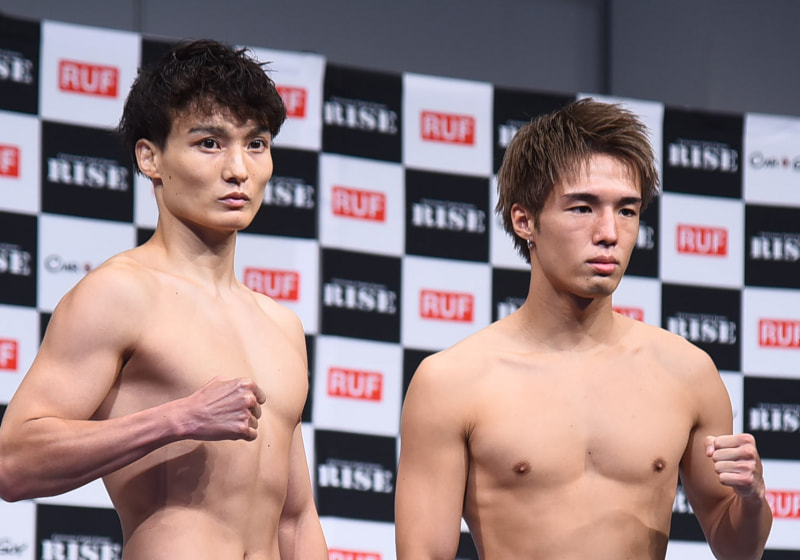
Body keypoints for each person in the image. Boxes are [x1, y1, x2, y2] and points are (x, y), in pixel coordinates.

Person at [395, 98, 772, 560]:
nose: (609, 232)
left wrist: (752, 499)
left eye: (627, 210)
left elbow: (737, 549)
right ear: (524, 220)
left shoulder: (688, 373)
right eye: (582, 208)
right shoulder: (451, 382)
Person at [0, 39, 328, 559]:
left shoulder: (280, 325)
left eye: (256, 144)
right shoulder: (119, 293)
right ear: (150, 157)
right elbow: (13, 463)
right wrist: (178, 419)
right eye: (209, 143)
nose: (238, 169)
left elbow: (295, 518)